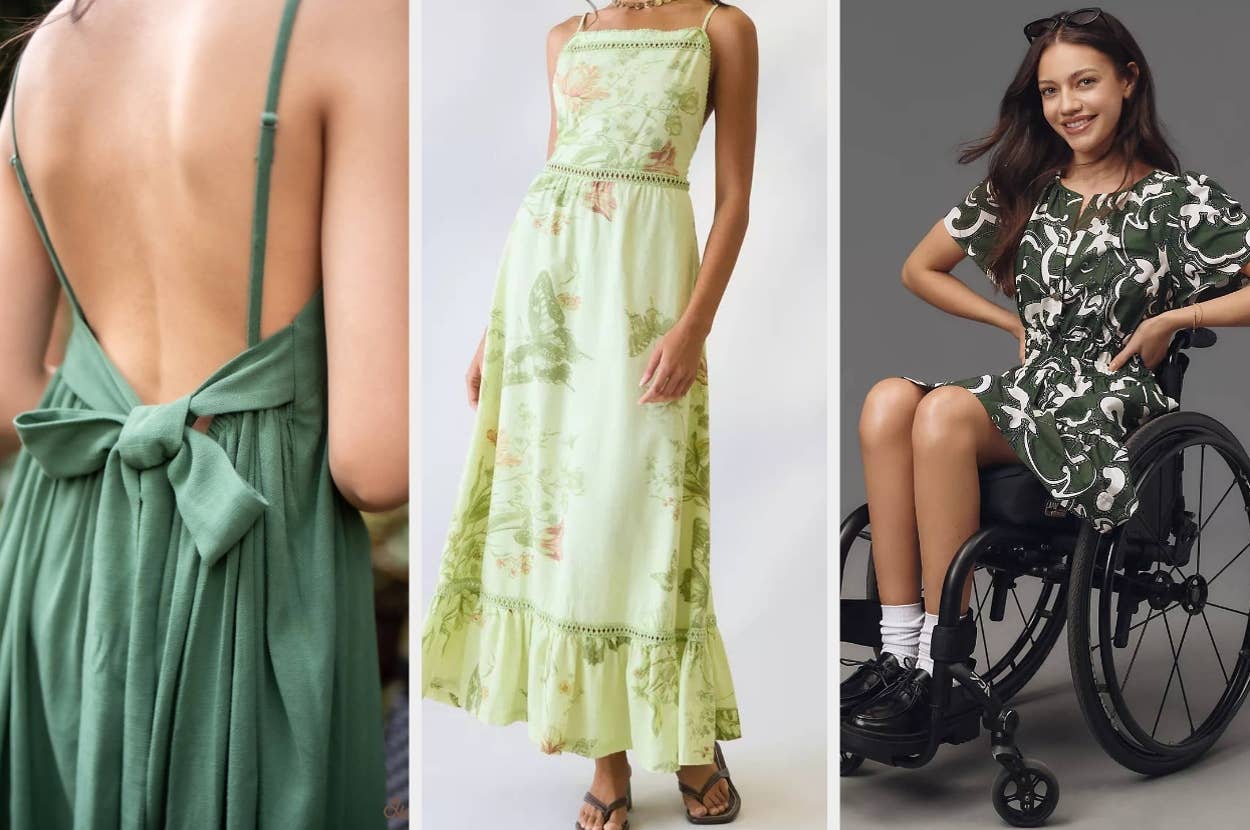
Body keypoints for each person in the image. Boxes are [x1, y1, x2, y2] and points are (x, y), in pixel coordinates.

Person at [0, 0, 407, 826]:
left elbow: (10, 392)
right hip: (246, 559)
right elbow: (376, 459)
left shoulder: (48, 50)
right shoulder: (354, 19)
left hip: (58, 559)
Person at [840, 7, 1250, 745]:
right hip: (1034, 388)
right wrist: (1008, 322)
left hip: (1113, 400)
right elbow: (917, 268)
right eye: (1051, 91)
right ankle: (900, 654)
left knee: (941, 415)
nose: (1068, 106)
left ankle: (945, 664)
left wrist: (1173, 320)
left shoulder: (1177, 202)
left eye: (1085, 83)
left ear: (1128, 81)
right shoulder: (1027, 188)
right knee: (885, 401)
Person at [419, 1, 756, 828]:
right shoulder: (565, 37)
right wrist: (496, 332)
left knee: (646, 514)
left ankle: (687, 742)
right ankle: (604, 754)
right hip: (550, 293)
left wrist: (693, 325)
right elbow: (556, 174)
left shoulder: (720, 28)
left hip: (646, 291)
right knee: (561, 519)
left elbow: (737, 196)